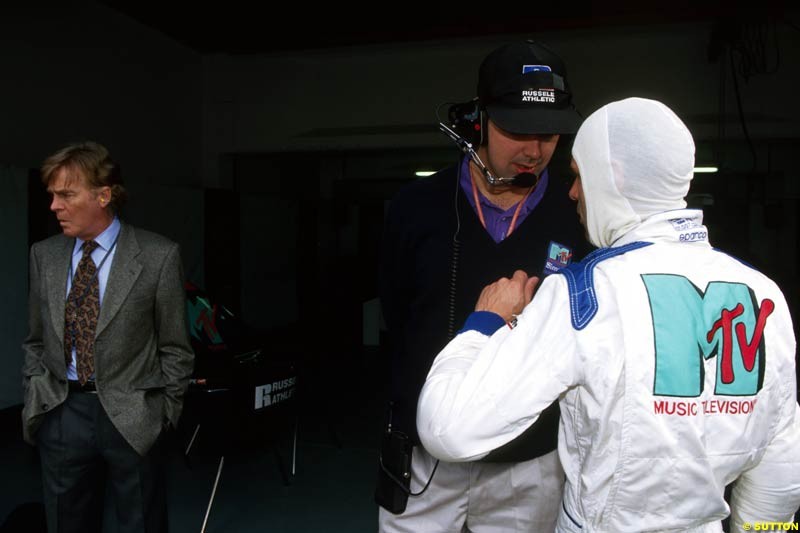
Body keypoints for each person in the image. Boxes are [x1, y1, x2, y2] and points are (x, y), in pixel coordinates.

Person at [417, 97, 800, 531]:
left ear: (612, 177)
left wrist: (484, 323)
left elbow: (447, 429)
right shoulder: (765, 296)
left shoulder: (583, 292)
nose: (573, 192)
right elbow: (780, 473)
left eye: (579, 176)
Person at [377, 39, 591, 532]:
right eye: (518, 129)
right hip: (425, 459)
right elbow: (398, 310)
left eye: (551, 134)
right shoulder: (414, 206)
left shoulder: (578, 212)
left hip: (529, 460)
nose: (535, 151)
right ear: (476, 122)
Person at [21, 141, 195, 533]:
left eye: (66, 194)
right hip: (62, 410)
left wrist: (164, 413)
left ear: (103, 196)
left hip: (133, 415)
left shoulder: (157, 255)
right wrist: (37, 396)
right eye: (52, 195)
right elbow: (35, 339)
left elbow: (175, 348)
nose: (54, 206)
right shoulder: (44, 255)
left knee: (141, 522)